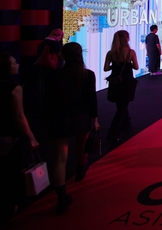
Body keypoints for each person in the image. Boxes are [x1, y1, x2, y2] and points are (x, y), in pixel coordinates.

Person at [44, 43, 99, 214]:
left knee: (59, 159)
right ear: (80, 55)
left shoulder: (54, 75)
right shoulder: (88, 75)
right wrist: (95, 119)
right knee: (81, 146)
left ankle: (62, 198)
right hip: (81, 118)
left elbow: (47, 100)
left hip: (60, 119)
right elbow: (92, 99)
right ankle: (80, 171)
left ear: (63, 56)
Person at [0, 54, 39, 222]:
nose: (18, 65)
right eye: (14, 63)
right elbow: (19, 117)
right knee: (10, 173)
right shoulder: (15, 88)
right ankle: (8, 208)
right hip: (9, 137)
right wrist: (31, 137)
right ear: (7, 68)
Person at [104, 30, 139, 144]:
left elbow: (106, 68)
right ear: (126, 38)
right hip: (126, 81)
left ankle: (126, 123)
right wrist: (127, 64)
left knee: (120, 104)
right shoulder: (130, 52)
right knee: (123, 107)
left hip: (115, 81)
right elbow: (136, 67)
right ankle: (114, 133)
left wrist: (115, 66)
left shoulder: (110, 53)